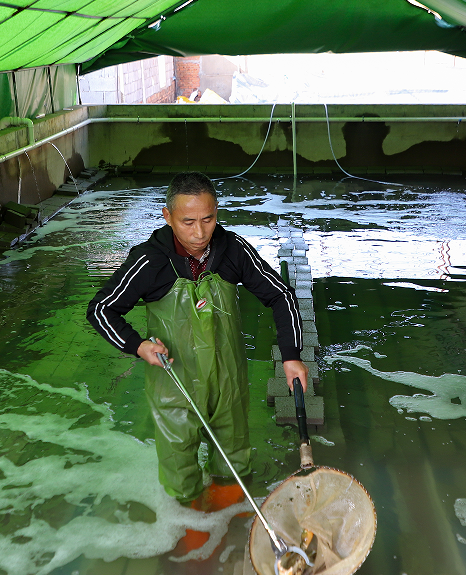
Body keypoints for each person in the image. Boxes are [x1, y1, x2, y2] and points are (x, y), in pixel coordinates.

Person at [87, 172, 308, 505]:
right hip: (174, 383)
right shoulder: (149, 261)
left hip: (228, 380)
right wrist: (138, 345)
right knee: (180, 468)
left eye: (208, 219)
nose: (200, 232)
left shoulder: (233, 250)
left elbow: (282, 296)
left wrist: (291, 355)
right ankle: (188, 529)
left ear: (217, 211)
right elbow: (101, 309)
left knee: (234, 461)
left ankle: (228, 518)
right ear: (167, 216)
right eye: (188, 222)